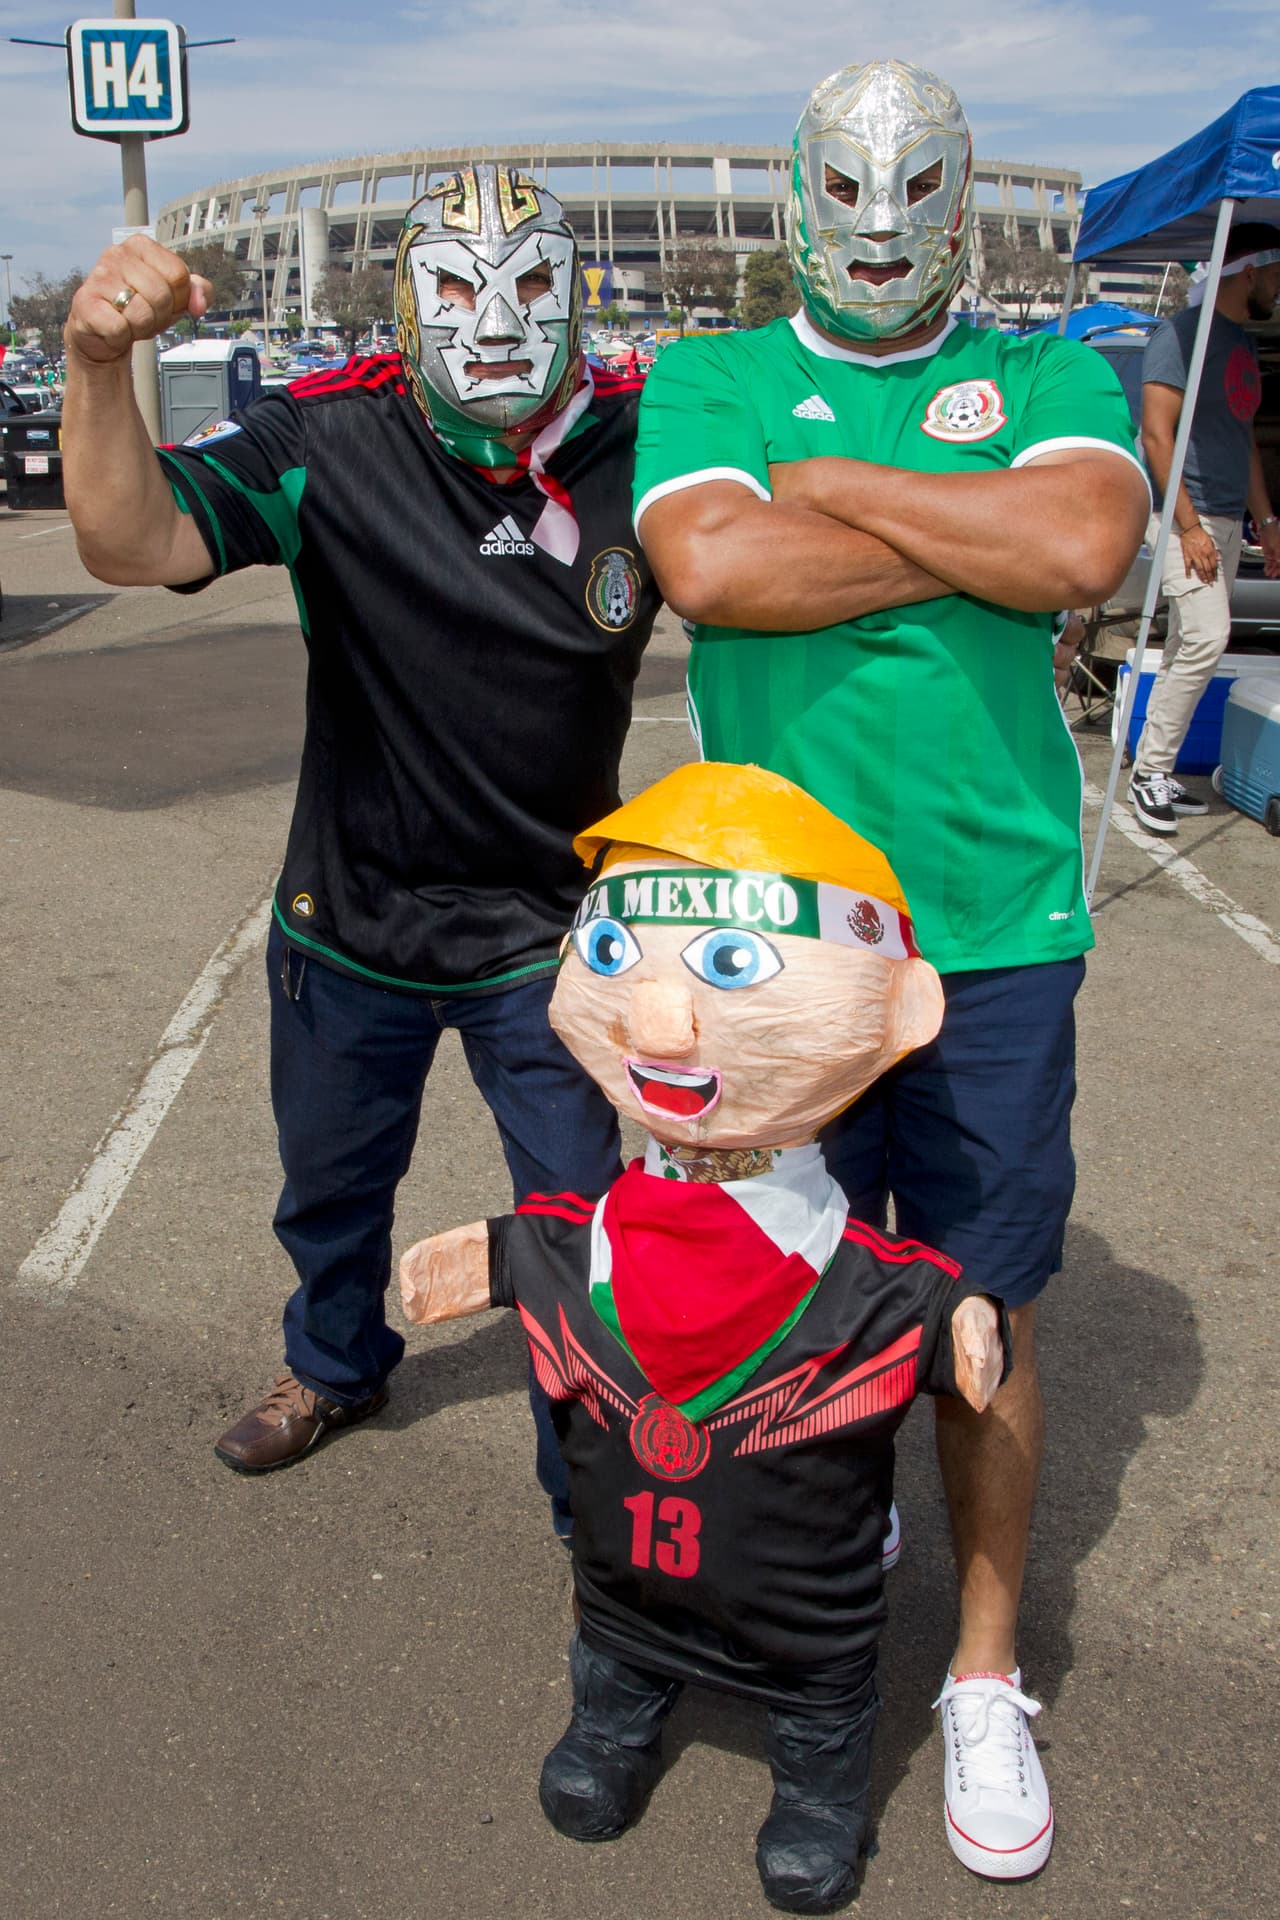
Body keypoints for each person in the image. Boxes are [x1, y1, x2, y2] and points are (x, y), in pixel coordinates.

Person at [631, 58, 1149, 1881]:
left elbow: (1085, 543)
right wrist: (961, 530)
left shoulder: (1065, 370)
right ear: (793, 193)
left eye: (913, 192)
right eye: (844, 192)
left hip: (996, 932)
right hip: (774, 946)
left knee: (982, 1313)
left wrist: (838, 484)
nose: (875, 229)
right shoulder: (704, 377)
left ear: (963, 197)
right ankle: (814, 1604)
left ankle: (985, 1671)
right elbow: (709, 564)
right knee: (772, 1296)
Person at [61, 165, 660, 1523]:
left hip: (548, 936)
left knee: (579, 1225)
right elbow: (127, 537)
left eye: (528, 290)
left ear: (579, 299)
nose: (494, 323)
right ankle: (333, 1364)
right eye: (458, 289)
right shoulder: (328, 434)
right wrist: (95, 363)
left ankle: (593, 1479)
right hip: (354, 920)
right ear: (405, 301)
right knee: (331, 1188)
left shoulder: (650, 429)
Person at [400, 761, 1009, 1915]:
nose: (660, 1021)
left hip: (806, 1611)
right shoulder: (578, 1235)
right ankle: (615, 1715)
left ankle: (819, 1792)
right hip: (624, 1573)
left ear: (899, 1011)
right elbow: (530, 1245)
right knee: (613, 1643)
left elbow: (935, 1318)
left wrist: (959, 1328)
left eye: (731, 969)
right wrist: (471, 1259)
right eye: (619, 961)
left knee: (820, 1689)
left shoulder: (877, 1291)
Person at [1128, 224, 1280, 833]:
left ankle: (1152, 766)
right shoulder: (1181, 335)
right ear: (1252, 271)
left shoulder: (1242, 344)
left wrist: (1265, 520)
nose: (1279, 287)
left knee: (1188, 644)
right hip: (1178, 516)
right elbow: (1155, 436)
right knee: (1208, 638)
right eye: (1277, 274)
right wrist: (1187, 526)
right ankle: (1148, 775)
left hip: (1223, 516)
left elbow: (1241, 440)